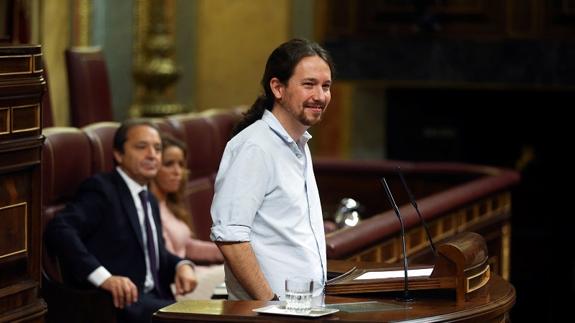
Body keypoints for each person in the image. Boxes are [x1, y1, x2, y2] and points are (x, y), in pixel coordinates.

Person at [210, 38, 334, 301]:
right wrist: (271, 305)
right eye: (309, 84)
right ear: (277, 87)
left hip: (303, 310)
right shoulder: (255, 146)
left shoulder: (300, 143)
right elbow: (230, 238)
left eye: (326, 86)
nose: (320, 96)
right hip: (271, 314)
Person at [45, 119, 198, 323]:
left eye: (158, 148)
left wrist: (182, 265)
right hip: (120, 305)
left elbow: (156, 254)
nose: (152, 155)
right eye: (141, 147)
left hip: (156, 299)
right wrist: (104, 278)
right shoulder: (102, 190)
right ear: (118, 154)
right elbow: (60, 229)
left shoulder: (149, 198)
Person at [150, 134, 225, 300]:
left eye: (181, 164)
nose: (178, 172)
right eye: (169, 164)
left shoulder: (170, 204)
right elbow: (166, 258)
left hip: (193, 274)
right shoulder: (148, 208)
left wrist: (227, 250)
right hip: (179, 284)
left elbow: (187, 246)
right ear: (153, 166)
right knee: (239, 275)